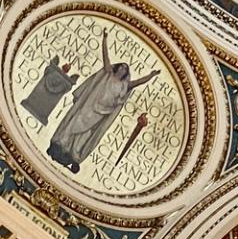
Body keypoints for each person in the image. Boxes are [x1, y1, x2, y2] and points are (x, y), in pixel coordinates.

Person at [46, 28, 161, 171]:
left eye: (125, 70)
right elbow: (105, 57)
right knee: (75, 122)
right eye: (121, 67)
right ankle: (61, 143)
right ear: (117, 67)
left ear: (125, 73)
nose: (122, 70)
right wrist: (104, 39)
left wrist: (151, 75)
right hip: (90, 105)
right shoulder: (108, 73)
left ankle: (74, 153)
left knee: (86, 133)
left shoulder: (125, 85)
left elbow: (140, 81)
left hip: (101, 112)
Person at [20, 56, 75, 126]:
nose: (56, 81)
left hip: (29, 104)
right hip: (42, 115)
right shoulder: (66, 84)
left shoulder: (51, 70)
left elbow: (47, 69)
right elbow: (68, 88)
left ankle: (30, 104)